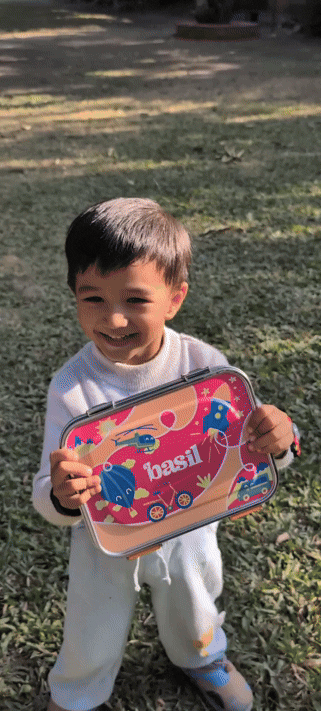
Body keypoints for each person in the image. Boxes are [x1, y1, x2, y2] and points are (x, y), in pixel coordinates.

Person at [32, 198, 297, 711]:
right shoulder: (70, 388)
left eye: (135, 299)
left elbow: (254, 445)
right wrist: (62, 496)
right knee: (91, 627)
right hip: (106, 543)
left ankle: (202, 658)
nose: (113, 318)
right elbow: (48, 490)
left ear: (174, 298)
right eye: (93, 298)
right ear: (74, 296)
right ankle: (77, 694)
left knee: (195, 607)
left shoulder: (205, 365)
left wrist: (279, 439)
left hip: (191, 530)